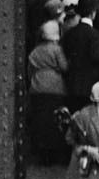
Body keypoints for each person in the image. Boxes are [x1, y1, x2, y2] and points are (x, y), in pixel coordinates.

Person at [26, 19, 69, 163]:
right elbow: (64, 67)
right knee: (55, 121)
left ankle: (42, 153)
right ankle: (54, 153)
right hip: (55, 87)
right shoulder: (57, 50)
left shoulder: (35, 51)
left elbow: (29, 70)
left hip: (37, 87)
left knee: (40, 121)